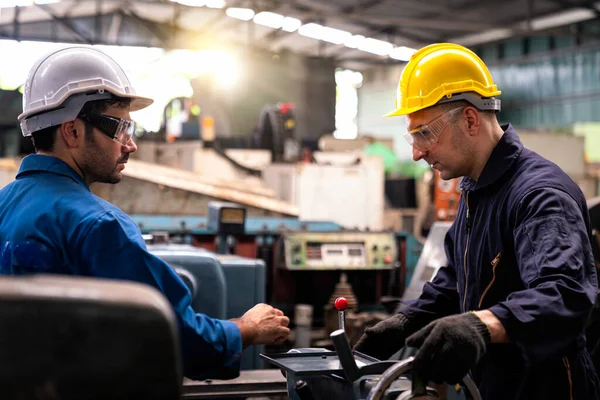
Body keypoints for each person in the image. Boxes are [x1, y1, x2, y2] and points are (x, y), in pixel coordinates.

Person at [0, 46, 290, 381]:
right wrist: (247, 328)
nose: (130, 144)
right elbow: (172, 336)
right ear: (72, 131)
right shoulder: (99, 226)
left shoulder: (5, 205)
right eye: (118, 127)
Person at [354, 42, 600, 399]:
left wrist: (480, 325)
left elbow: (564, 293)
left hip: (546, 386)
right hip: (493, 381)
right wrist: (407, 320)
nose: (417, 152)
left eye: (425, 133)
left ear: (470, 119)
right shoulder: (476, 188)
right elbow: (459, 277)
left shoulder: (540, 195)